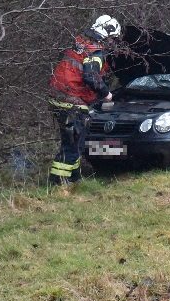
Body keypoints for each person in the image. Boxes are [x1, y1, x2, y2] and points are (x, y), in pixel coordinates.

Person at [48, 15, 121, 185]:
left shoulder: (80, 43)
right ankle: (58, 183)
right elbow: (90, 76)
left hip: (58, 97)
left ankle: (74, 180)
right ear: (107, 34)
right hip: (73, 102)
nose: (112, 43)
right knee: (72, 147)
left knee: (74, 143)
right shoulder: (95, 51)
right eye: (113, 38)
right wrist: (106, 93)